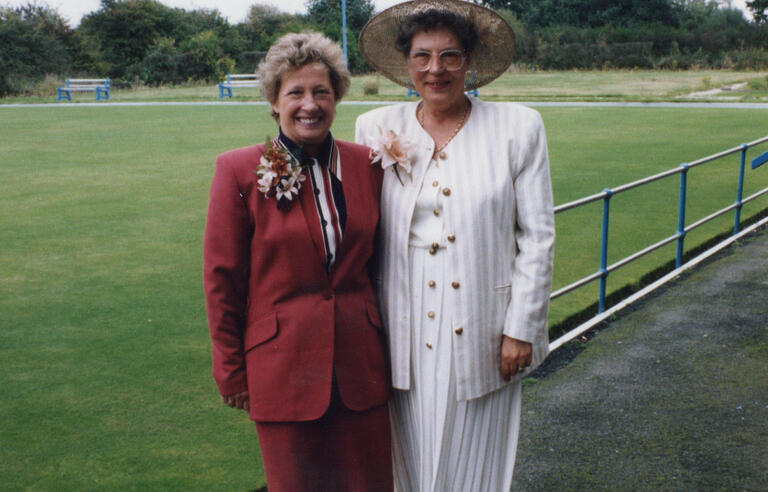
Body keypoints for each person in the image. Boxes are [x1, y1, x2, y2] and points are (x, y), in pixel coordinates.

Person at [355, 1, 554, 490]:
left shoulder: (518, 128)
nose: (436, 69)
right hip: (400, 327)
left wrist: (521, 328)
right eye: (422, 56)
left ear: (470, 61)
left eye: (450, 56)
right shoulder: (375, 127)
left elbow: (537, 236)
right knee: (405, 460)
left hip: (485, 328)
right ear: (406, 61)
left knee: (476, 464)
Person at [204, 32, 392, 492]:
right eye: (296, 93)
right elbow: (222, 279)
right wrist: (230, 370)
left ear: (337, 97)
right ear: (274, 101)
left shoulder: (368, 164)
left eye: (321, 92)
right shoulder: (238, 171)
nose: (310, 104)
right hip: (282, 371)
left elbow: (381, 264)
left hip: (360, 370)